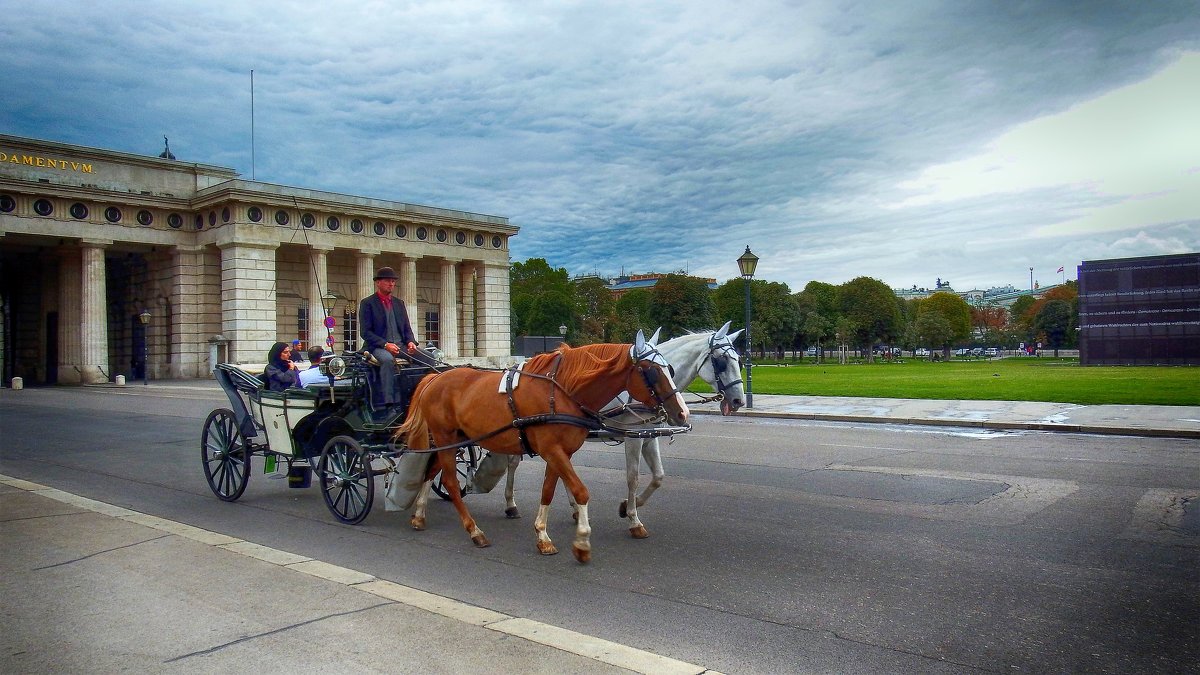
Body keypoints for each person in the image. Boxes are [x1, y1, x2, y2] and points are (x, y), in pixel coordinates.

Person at [359, 266, 418, 408]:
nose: (391, 284)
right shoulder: (368, 303)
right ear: (378, 283)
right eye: (387, 281)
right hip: (378, 347)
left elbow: (407, 328)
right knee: (387, 360)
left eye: (393, 281)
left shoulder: (399, 303)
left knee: (428, 357)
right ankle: (389, 401)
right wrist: (385, 344)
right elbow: (365, 332)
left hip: (401, 344)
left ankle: (420, 394)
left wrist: (411, 342)